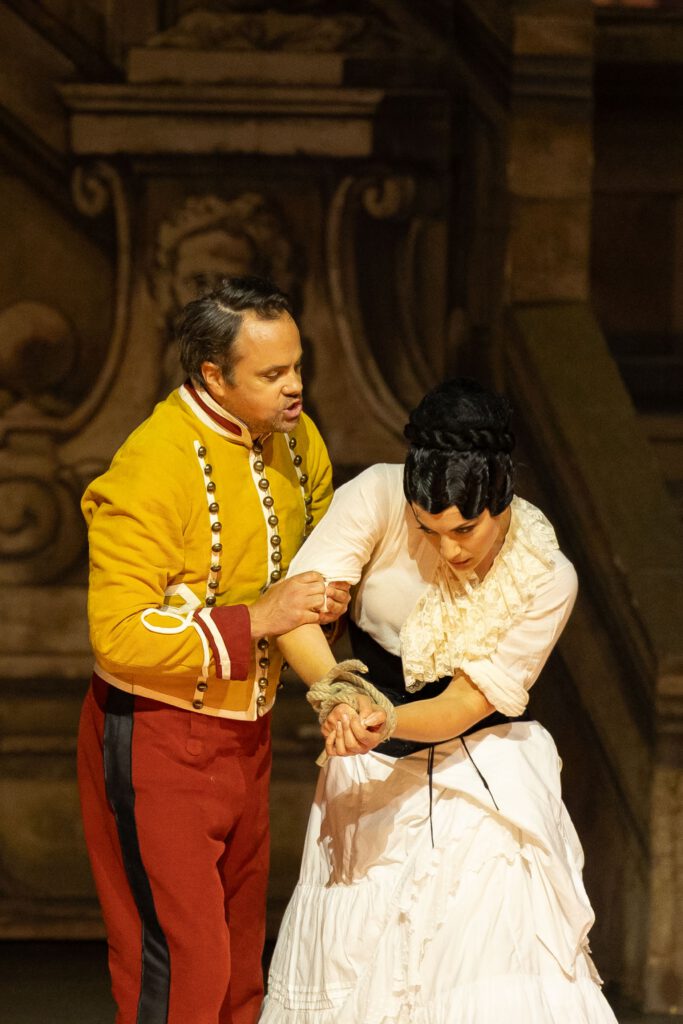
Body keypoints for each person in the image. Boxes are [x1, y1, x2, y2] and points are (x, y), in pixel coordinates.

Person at [260, 378, 619, 1023]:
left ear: (502, 494)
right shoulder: (374, 494)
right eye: (430, 529)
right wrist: (338, 696)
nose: (449, 548)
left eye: (465, 529)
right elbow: (295, 614)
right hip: (369, 761)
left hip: (482, 765)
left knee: (488, 961)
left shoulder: (546, 576)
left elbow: (463, 704)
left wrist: (383, 720)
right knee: (358, 959)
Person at [77, 276, 351, 1024]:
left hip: (246, 733)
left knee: (237, 956)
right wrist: (255, 619)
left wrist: (332, 607)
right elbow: (120, 632)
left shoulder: (297, 437)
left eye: (298, 366)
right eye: (272, 374)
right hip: (157, 733)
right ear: (212, 376)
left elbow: (327, 543)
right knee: (180, 959)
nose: (295, 388)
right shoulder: (151, 468)